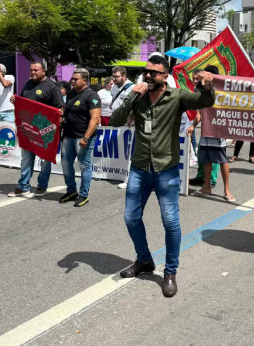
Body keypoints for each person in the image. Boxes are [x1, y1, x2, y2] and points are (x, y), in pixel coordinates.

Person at [110, 54, 215, 297]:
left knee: (170, 222)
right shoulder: (138, 97)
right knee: (130, 218)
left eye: (154, 73)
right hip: (139, 168)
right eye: (147, 72)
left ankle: (170, 272)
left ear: (165, 77)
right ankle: (145, 260)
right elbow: (115, 120)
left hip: (166, 170)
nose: (148, 75)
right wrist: (130, 95)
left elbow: (205, 100)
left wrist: (207, 82)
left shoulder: (176, 97)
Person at [8, 62, 63, 198]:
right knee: (26, 159)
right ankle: (23, 186)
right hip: (28, 129)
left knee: (45, 161)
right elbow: (23, 101)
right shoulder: (28, 84)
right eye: (31, 70)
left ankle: (42, 186)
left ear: (43, 71)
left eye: (36, 70)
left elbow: (60, 108)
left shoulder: (52, 86)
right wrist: (15, 100)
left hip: (45, 131)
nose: (33, 73)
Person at [59, 68, 101, 207]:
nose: (72, 81)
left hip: (82, 137)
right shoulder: (71, 93)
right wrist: (61, 113)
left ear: (85, 80)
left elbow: (95, 119)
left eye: (75, 79)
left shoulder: (92, 96)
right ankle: (71, 191)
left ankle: (83, 194)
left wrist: (86, 137)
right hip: (68, 136)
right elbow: (66, 109)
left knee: (84, 166)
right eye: (72, 78)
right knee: (65, 164)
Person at [195, 65, 234, 202]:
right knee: (206, 159)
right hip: (206, 130)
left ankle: (227, 190)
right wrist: (193, 125)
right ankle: (206, 186)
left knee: (222, 159)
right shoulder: (199, 88)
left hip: (218, 129)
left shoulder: (222, 88)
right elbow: (199, 111)